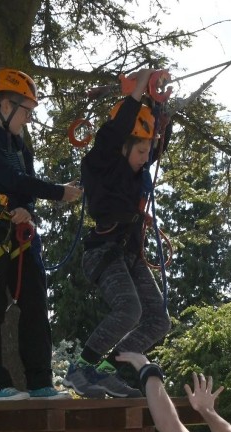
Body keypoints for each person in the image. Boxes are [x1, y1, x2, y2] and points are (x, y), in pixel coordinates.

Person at [0, 67, 83, 400]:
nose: (28, 119)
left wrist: (26, 210)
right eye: (26, 111)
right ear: (5, 105)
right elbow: (8, 181)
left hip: (21, 229)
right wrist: (58, 192)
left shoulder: (20, 144)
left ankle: (40, 382)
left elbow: (24, 189)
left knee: (35, 304)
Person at [62, 69, 171, 399]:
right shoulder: (101, 163)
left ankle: (105, 368)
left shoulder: (136, 169)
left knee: (158, 320)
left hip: (128, 253)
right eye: (140, 153)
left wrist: (157, 105)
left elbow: (158, 141)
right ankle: (80, 368)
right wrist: (137, 92)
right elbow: (115, 131)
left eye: (146, 154)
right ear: (123, 148)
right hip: (104, 252)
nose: (145, 160)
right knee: (129, 309)